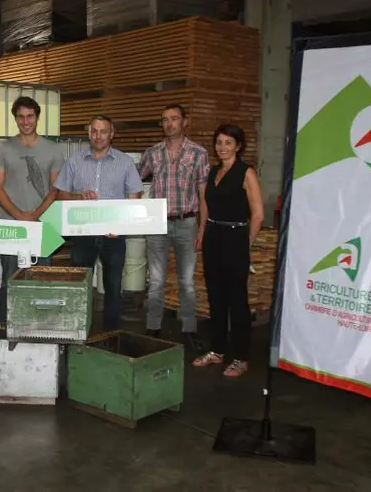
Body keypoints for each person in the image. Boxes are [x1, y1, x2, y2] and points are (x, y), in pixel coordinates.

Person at [55, 115, 143, 331]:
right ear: (89, 133)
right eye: (94, 131)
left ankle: (111, 335)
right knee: (79, 285)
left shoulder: (125, 162)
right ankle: (77, 331)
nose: (98, 136)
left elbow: (134, 197)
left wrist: (122, 228)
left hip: (114, 235)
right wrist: (79, 197)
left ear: (111, 134)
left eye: (103, 131)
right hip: (83, 234)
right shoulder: (74, 161)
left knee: (113, 287)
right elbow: (61, 196)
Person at [192, 124, 264, 377]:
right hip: (213, 236)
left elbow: (258, 215)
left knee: (237, 301)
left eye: (228, 143)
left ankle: (242, 358)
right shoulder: (212, 173)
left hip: (236, 238)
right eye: (219, 142)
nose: (222, 147)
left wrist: (245, 243)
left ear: (238, 146)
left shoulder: (246, 173)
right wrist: (202, 231)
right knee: (216, 298)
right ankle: (217, 351)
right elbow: (206, 206)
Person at [137, 104, 210, 349]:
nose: (169, 123)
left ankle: (189, 329)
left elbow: (203, 195)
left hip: (187, 222)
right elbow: (135, 182)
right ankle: (153, 328)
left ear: (185, 122)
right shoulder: (152, 153)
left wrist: (201, 229)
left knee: (186, 282)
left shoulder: (198, 154)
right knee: (156, 281)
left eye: (174, 119)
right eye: (165, 119)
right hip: (157, 223)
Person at [0, 96, 65, 323]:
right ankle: (6, 326)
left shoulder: (53, 149)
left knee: (42, 279)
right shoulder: (2, 148)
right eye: (20, 116)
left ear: (37, 117)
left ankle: (40, 328)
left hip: (43, 225)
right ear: (15, 119)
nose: (25, 121)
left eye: (30, 116)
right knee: (10, 280)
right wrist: (20, 216)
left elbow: (55, 189)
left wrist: (35, 215)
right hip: (11, 226)